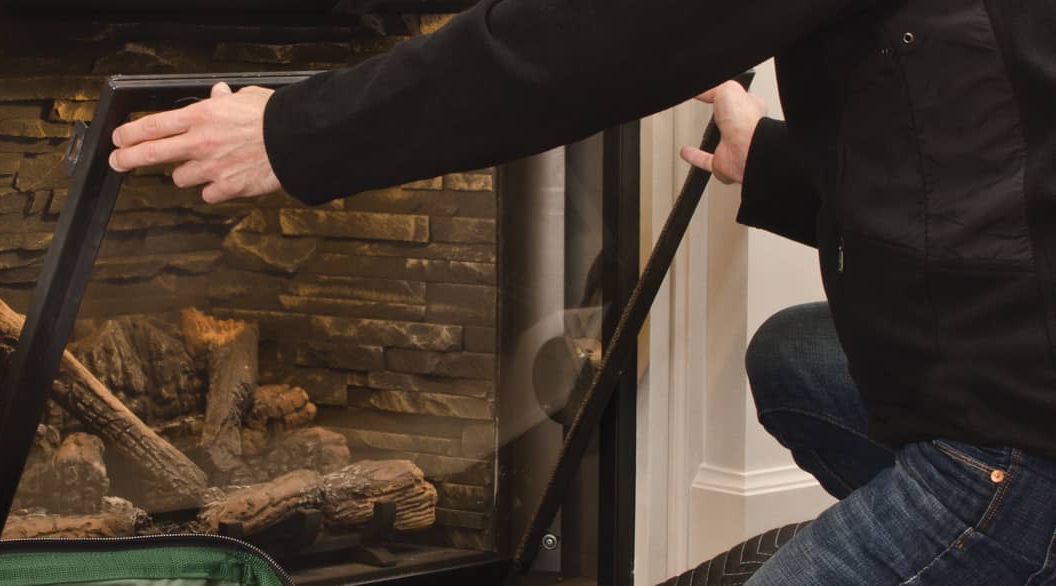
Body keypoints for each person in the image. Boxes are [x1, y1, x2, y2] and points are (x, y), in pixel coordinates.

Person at [107, 0, 1056, 582]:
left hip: (1020, 434)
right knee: (795, 357)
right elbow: (1002, 140)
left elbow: (598, 35)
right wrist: (767, 160)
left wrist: (298, 131)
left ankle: (995, 542)